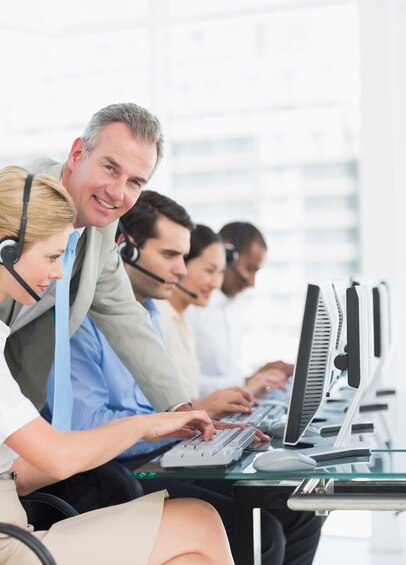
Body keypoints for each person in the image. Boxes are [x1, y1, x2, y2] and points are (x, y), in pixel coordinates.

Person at [44, 192, 320, 565]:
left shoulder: (149, 315)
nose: (180, 269)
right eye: (171, 255)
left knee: (299, 505)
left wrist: (196, 422)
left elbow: (154, 407)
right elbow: (81, 428)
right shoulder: (81, 321)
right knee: (261, 532)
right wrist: (159, 425)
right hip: (108, 473)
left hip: (155, 456)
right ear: (126, 250)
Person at [0, 166, 234, 565]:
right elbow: (56, 456)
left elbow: (19, 471)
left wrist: (168, 423)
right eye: (53, 257)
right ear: (7, 250)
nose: (59, 274)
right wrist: (148, 424)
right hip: (12, 542)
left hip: (15, 521)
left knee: (190, 548)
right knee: (198, 520)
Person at [0, 103, 191, 415]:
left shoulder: (100, 228)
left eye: (135, 182)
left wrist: (179, 409)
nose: (118, 193)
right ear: (77, 154)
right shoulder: (17, 202)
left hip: (16, 406)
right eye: (110, 168)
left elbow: (125, 316)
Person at [186, 221, 294, 398]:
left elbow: (227, 377)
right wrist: (246, 383)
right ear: (227, 254)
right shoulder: (192, 305)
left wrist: (256, 377)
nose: (252, 283)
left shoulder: (233, 306)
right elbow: (183, 386)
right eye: (250, 269)